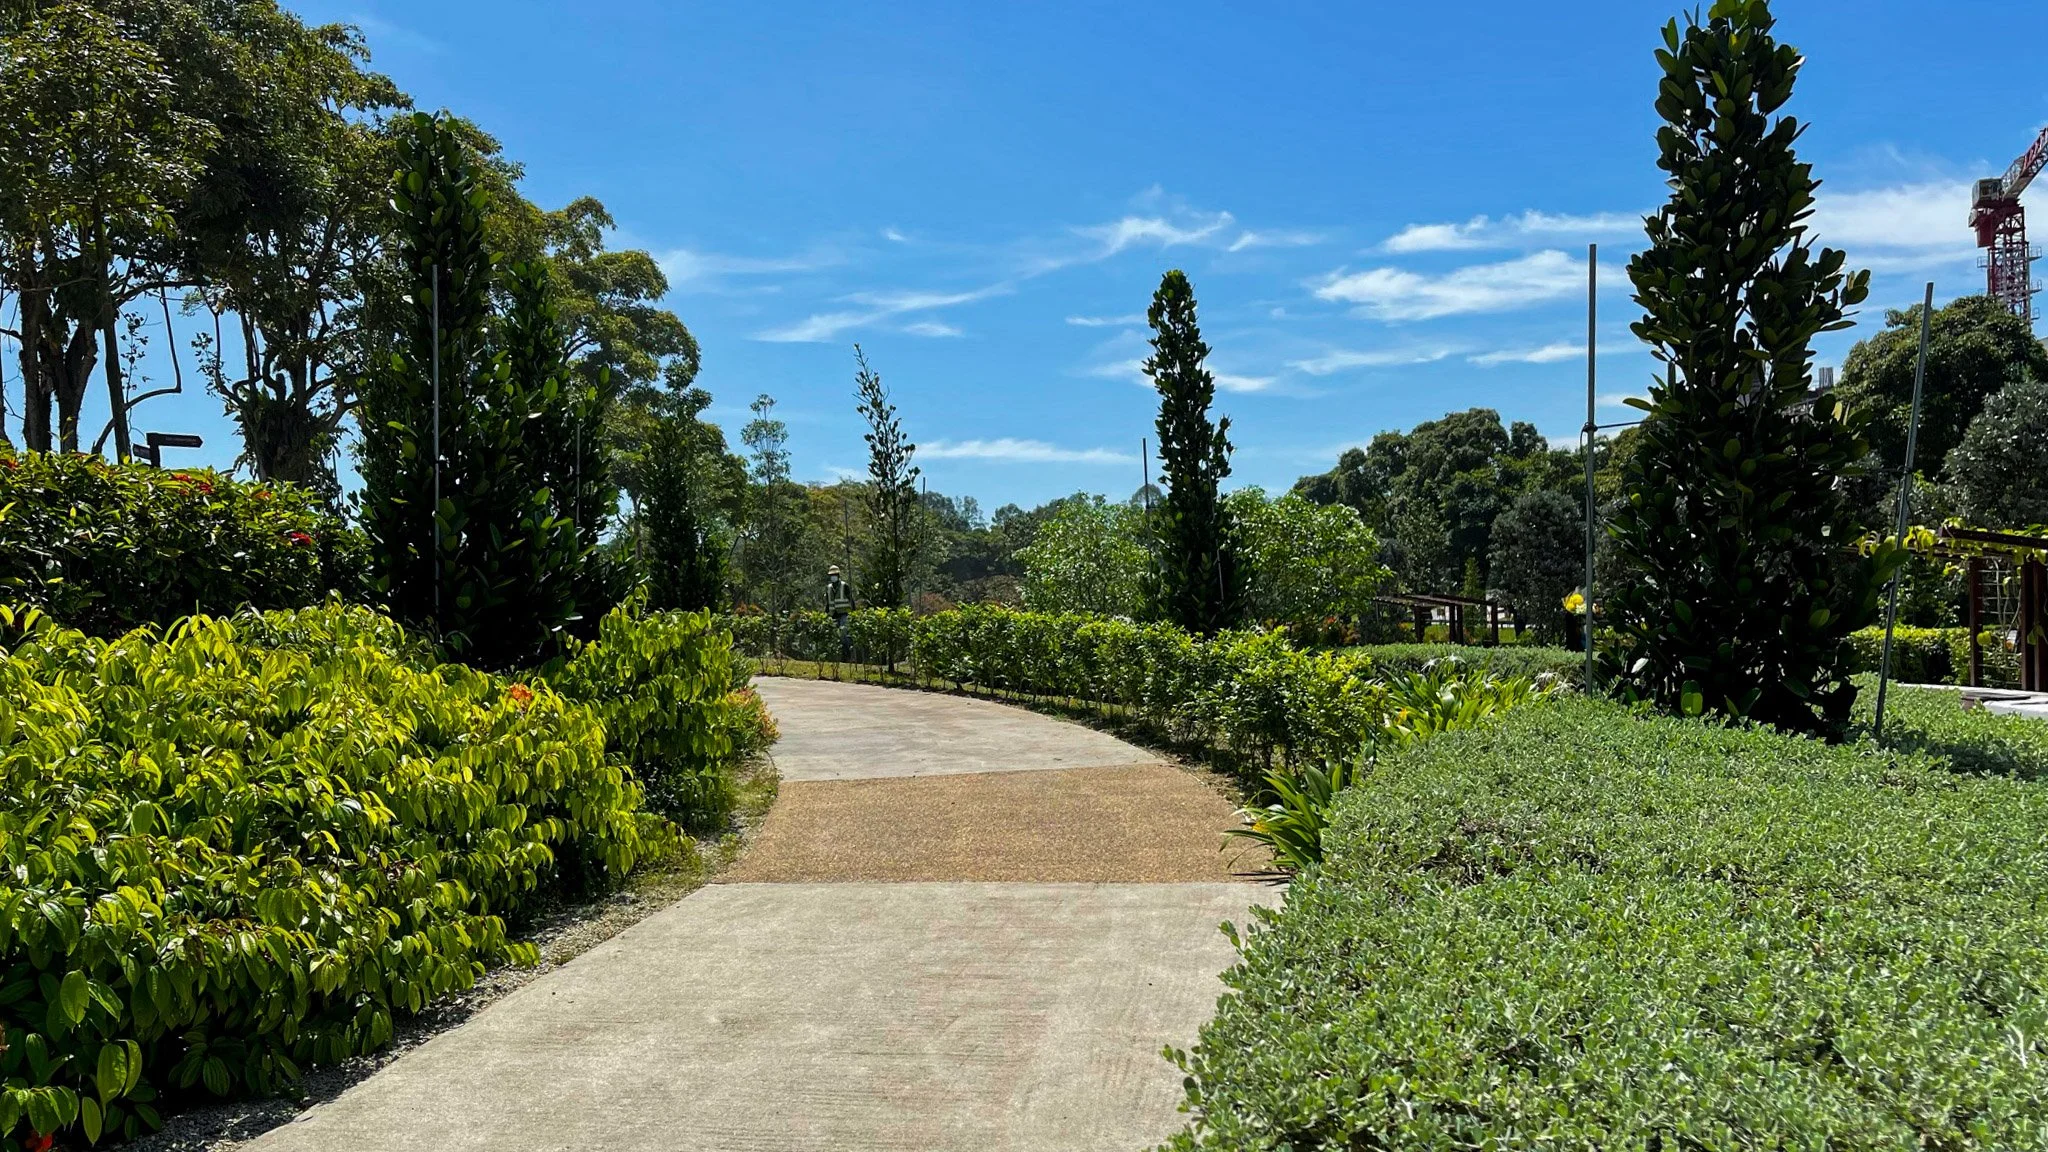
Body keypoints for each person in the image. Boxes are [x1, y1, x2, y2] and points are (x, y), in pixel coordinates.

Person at [825, 564, 856, 661]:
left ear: (838, 575)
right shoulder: (829, 588)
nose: (833, 577)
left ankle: (848, 656)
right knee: (835, 637)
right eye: (831, 575)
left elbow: (851, 600)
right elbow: (827, 602)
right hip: (833, 615)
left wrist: (854, 613)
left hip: (844, 614)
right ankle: (840, 656)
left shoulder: (844, 586)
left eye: (834, 575)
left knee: (844, 635)